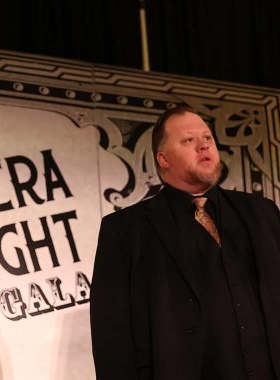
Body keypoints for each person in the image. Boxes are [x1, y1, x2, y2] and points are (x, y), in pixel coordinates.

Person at [90, 105, 280, 379]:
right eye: (189, 140)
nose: (203, 146)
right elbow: (112, 337)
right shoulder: (125, 230)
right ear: (164, 159)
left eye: (207, 138)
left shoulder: (262, 212)